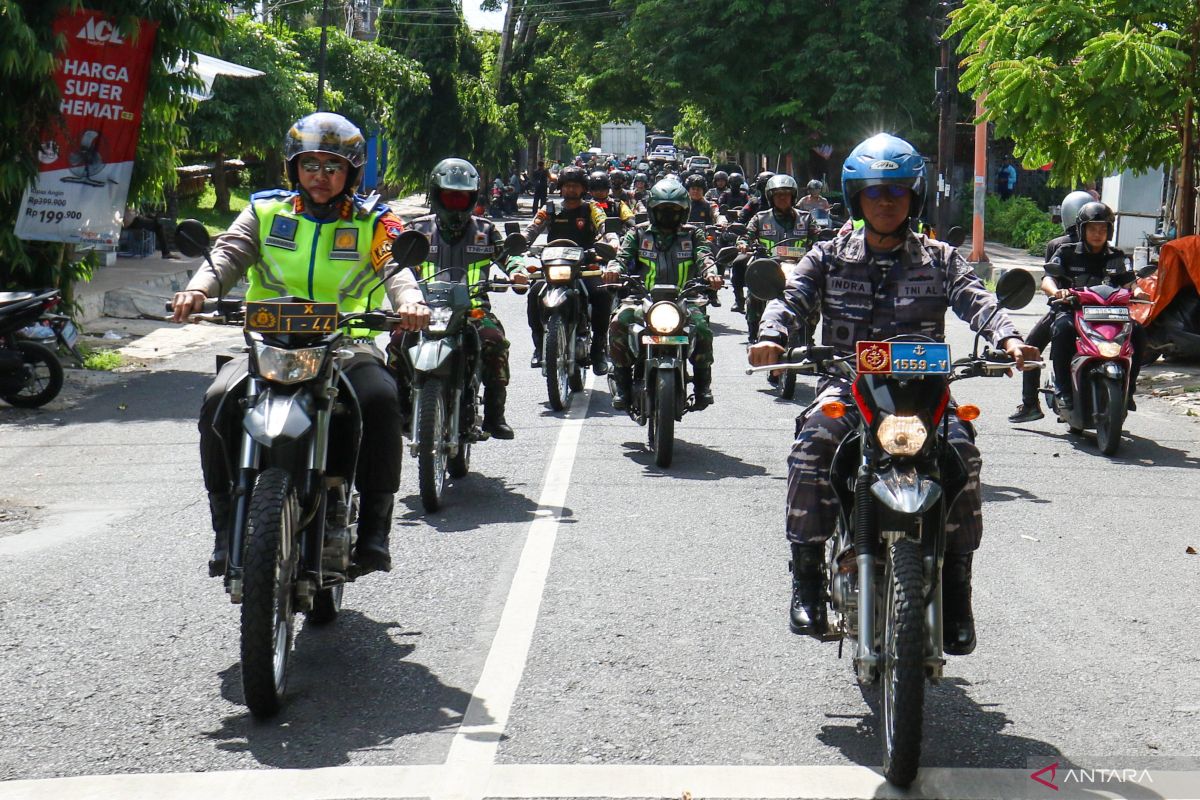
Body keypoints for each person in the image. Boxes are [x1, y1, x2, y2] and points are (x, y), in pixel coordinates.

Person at [748, 133, 1038, 654]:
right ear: (856, 198)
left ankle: (957, 588)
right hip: (848, 386)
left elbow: (979, 302)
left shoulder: (941, 258)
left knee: (964, 455)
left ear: (914, 199)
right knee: (813, 445)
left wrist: (1011, 340)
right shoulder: (828, 255)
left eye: (897, 193)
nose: (886, 203)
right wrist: (772, 337)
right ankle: (807, 577)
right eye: (875, 193)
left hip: (924, 395)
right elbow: (791, 301)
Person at [170, 112, 430, 577]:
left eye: (332, 167)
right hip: (268, 341)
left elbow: (396, 269)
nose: (321, 176)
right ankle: (224, 524)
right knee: (215, 403)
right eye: (310, 165)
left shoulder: (373, 220)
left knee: (381, 399)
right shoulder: (266, 210)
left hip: (345, 343)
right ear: (294, 168)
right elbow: (229, 253)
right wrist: (198, 289)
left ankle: (374, 529)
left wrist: (410, 303)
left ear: (351, 172)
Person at [398, 158, 528, 441]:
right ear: (436, 194)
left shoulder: (485, 230)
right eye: (450, 196)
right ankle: (399, 410)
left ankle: (495, 415)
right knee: (397, 342)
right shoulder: (417, 230)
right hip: (424, 308)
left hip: (473, 308)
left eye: (462, 197)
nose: (456, 203)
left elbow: (509, 257)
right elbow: (394, 261)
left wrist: (519, 272)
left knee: (494, 342)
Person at [603, 178, 723, 410]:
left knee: (702, 330)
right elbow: (621, 258)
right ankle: (623, 384)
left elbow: (705, 256)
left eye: (674, 210)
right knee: (618, 323)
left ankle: (702, 385)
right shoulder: (638, 233)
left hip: (685, 299)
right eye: (663, 210)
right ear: (653, 210)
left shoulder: (693, 234)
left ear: (684, 211)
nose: (668, 215)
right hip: (641, 298)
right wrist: (614, 270)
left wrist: (712, 273)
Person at [1043, 201, 1148, 412]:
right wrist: (1057, 292)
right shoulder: (1066, 252)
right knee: (1062, 329)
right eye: (1092, 228)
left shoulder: (1116, 256)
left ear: (1109, 230)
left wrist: (1137, 292)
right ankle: (1063, 389)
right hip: (1073, 309)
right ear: (1083, 230)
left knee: (1138, 332)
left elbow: (1129, 280)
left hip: (1110, 312)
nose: (1098, 233)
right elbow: (1048, 279)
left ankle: (1130, 388)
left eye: (1103, 228)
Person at [1009, 190, 1095, 422]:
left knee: (1031, 347)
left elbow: (1050, 278)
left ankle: (1030, 404)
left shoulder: (1057, 244)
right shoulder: (1101, 244)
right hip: (1098, 311)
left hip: (1065, 310)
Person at [522, 165, 613, 372]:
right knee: (534, 293)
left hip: (585, 266)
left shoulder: (592, 208)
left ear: (583, 189)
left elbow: (604, 226)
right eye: (567, 186)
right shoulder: (549, 208)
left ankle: (598, 351)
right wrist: (523, 241)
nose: (571, 190)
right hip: (554, 265)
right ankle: (538, 348)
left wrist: (610, 240)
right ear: (560, 188)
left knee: (602, 294)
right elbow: (532, 228)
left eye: (576, 186)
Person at [736, 174, 812, 334]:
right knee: (754, 293)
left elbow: (818, 237)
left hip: (799, 269)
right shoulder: (760, 218)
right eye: (778, 195)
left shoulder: (806, 218)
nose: (782, 198)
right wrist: (743, 243)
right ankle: (753, 331)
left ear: (793, 196)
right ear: (771, 197)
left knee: (814, 297)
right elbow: (746, 235)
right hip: (768, 270)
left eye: (786, 194)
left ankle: (808, 333)